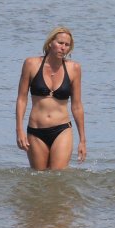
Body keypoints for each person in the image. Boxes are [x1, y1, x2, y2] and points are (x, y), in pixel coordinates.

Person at [16, 26, 86, 171]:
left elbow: (77, 106)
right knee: (39, 178)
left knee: (57, 176)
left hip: (62, 129)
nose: (63, 48)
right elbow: (22, 99)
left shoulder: (74, 68)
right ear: (50, 43)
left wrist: (82, 140)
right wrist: (19, 130)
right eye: (60, 43)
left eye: (67, 45)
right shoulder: (31, 64)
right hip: (36, 130)